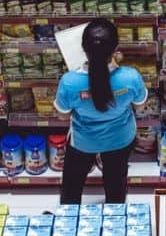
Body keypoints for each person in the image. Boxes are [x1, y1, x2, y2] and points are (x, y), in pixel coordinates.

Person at [54, 19, 148, 204]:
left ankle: (70, 222)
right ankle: (115, 216)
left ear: (83, 48)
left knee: (72, 186)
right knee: (116, 182)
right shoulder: (130, 77)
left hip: (83, 142)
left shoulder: (69, 82)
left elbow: (62, 115)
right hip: (120, 139)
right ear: (115, 49)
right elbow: (140, 106)